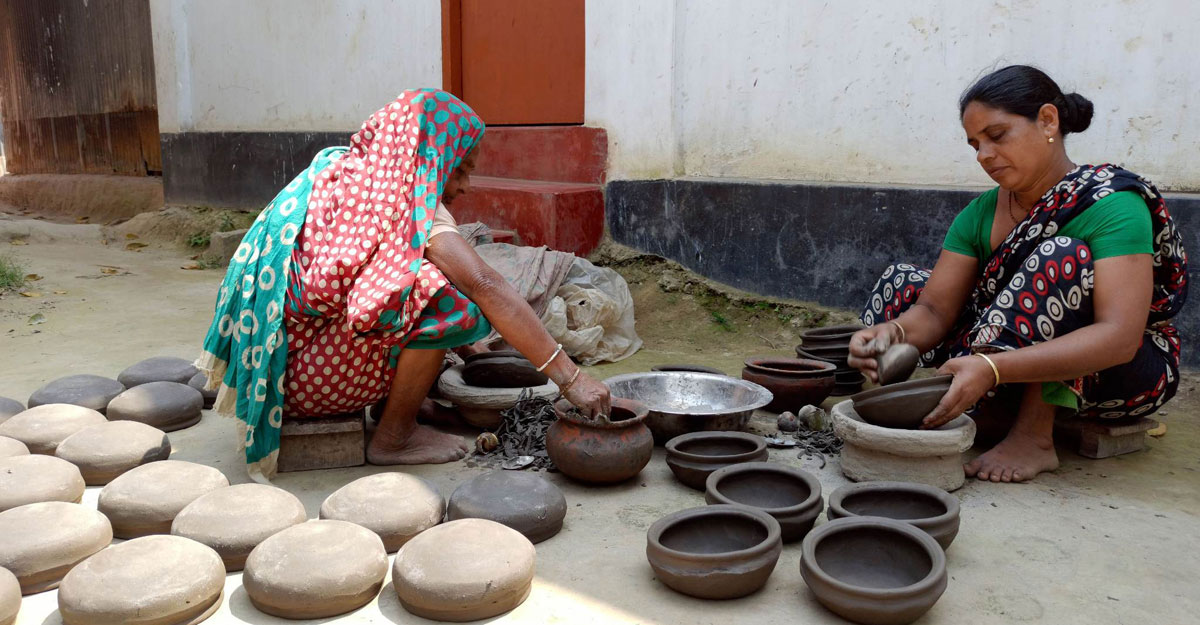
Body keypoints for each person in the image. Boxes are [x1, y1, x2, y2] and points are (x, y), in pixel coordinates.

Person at [196, 88, 611, 479]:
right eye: (460, 169)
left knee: (411, 281)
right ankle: (395, 437)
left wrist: (469, 350)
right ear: (429, 155)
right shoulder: (409, 202)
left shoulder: (347, 171)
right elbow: (484, 283)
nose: (465, 186)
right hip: (308, 384)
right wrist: (572, 379)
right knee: (442, 297)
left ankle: (397, 404)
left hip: (276, 371)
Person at [848, 66, 1188, 483]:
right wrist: (892, 333)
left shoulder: (1111, 203)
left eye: (997, 135)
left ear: (1048, 121)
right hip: (1004, 357)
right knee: (903, 282)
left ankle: (1033, 435)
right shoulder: (981, 213)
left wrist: (992, 369)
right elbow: (935, 310)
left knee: (1059, 257)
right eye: (975, 144)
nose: (983, 155)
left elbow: (1119, 338)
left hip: (1116, 373)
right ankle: (988, 404)